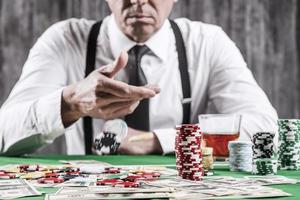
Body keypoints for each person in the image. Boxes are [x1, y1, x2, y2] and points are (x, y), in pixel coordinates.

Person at [0, 0, 278, 155]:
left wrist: (156, 140)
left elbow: (267, 131)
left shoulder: (208, 43)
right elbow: (3, 135)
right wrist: (69, 103)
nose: (138, 0)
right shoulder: (65, 40)